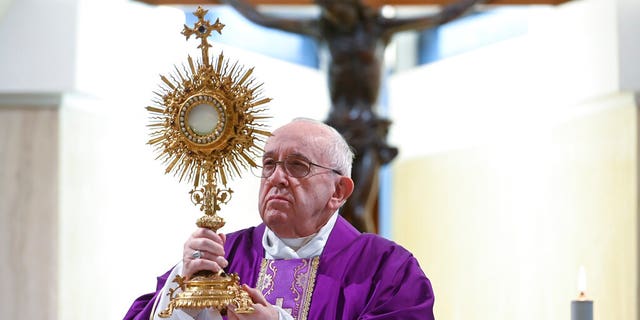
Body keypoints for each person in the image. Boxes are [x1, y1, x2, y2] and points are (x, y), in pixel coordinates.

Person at [124, 118, 435, 320]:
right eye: (269, 164)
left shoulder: (387, 269)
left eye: (298, 166)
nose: (277, 178)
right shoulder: (220, 256)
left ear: (339, 191)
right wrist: (182, 300)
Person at [220, 0, 486, 234]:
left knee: (358, 208)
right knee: (328, 210)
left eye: (336, 6)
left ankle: (369, 271)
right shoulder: (324, 31)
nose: (333, 12)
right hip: (337, 131)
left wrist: (471, 2)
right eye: (327, 8)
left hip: (369, 131)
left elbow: (436, 17)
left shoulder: (377, 29)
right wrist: (233, 2)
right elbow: (266, 20)